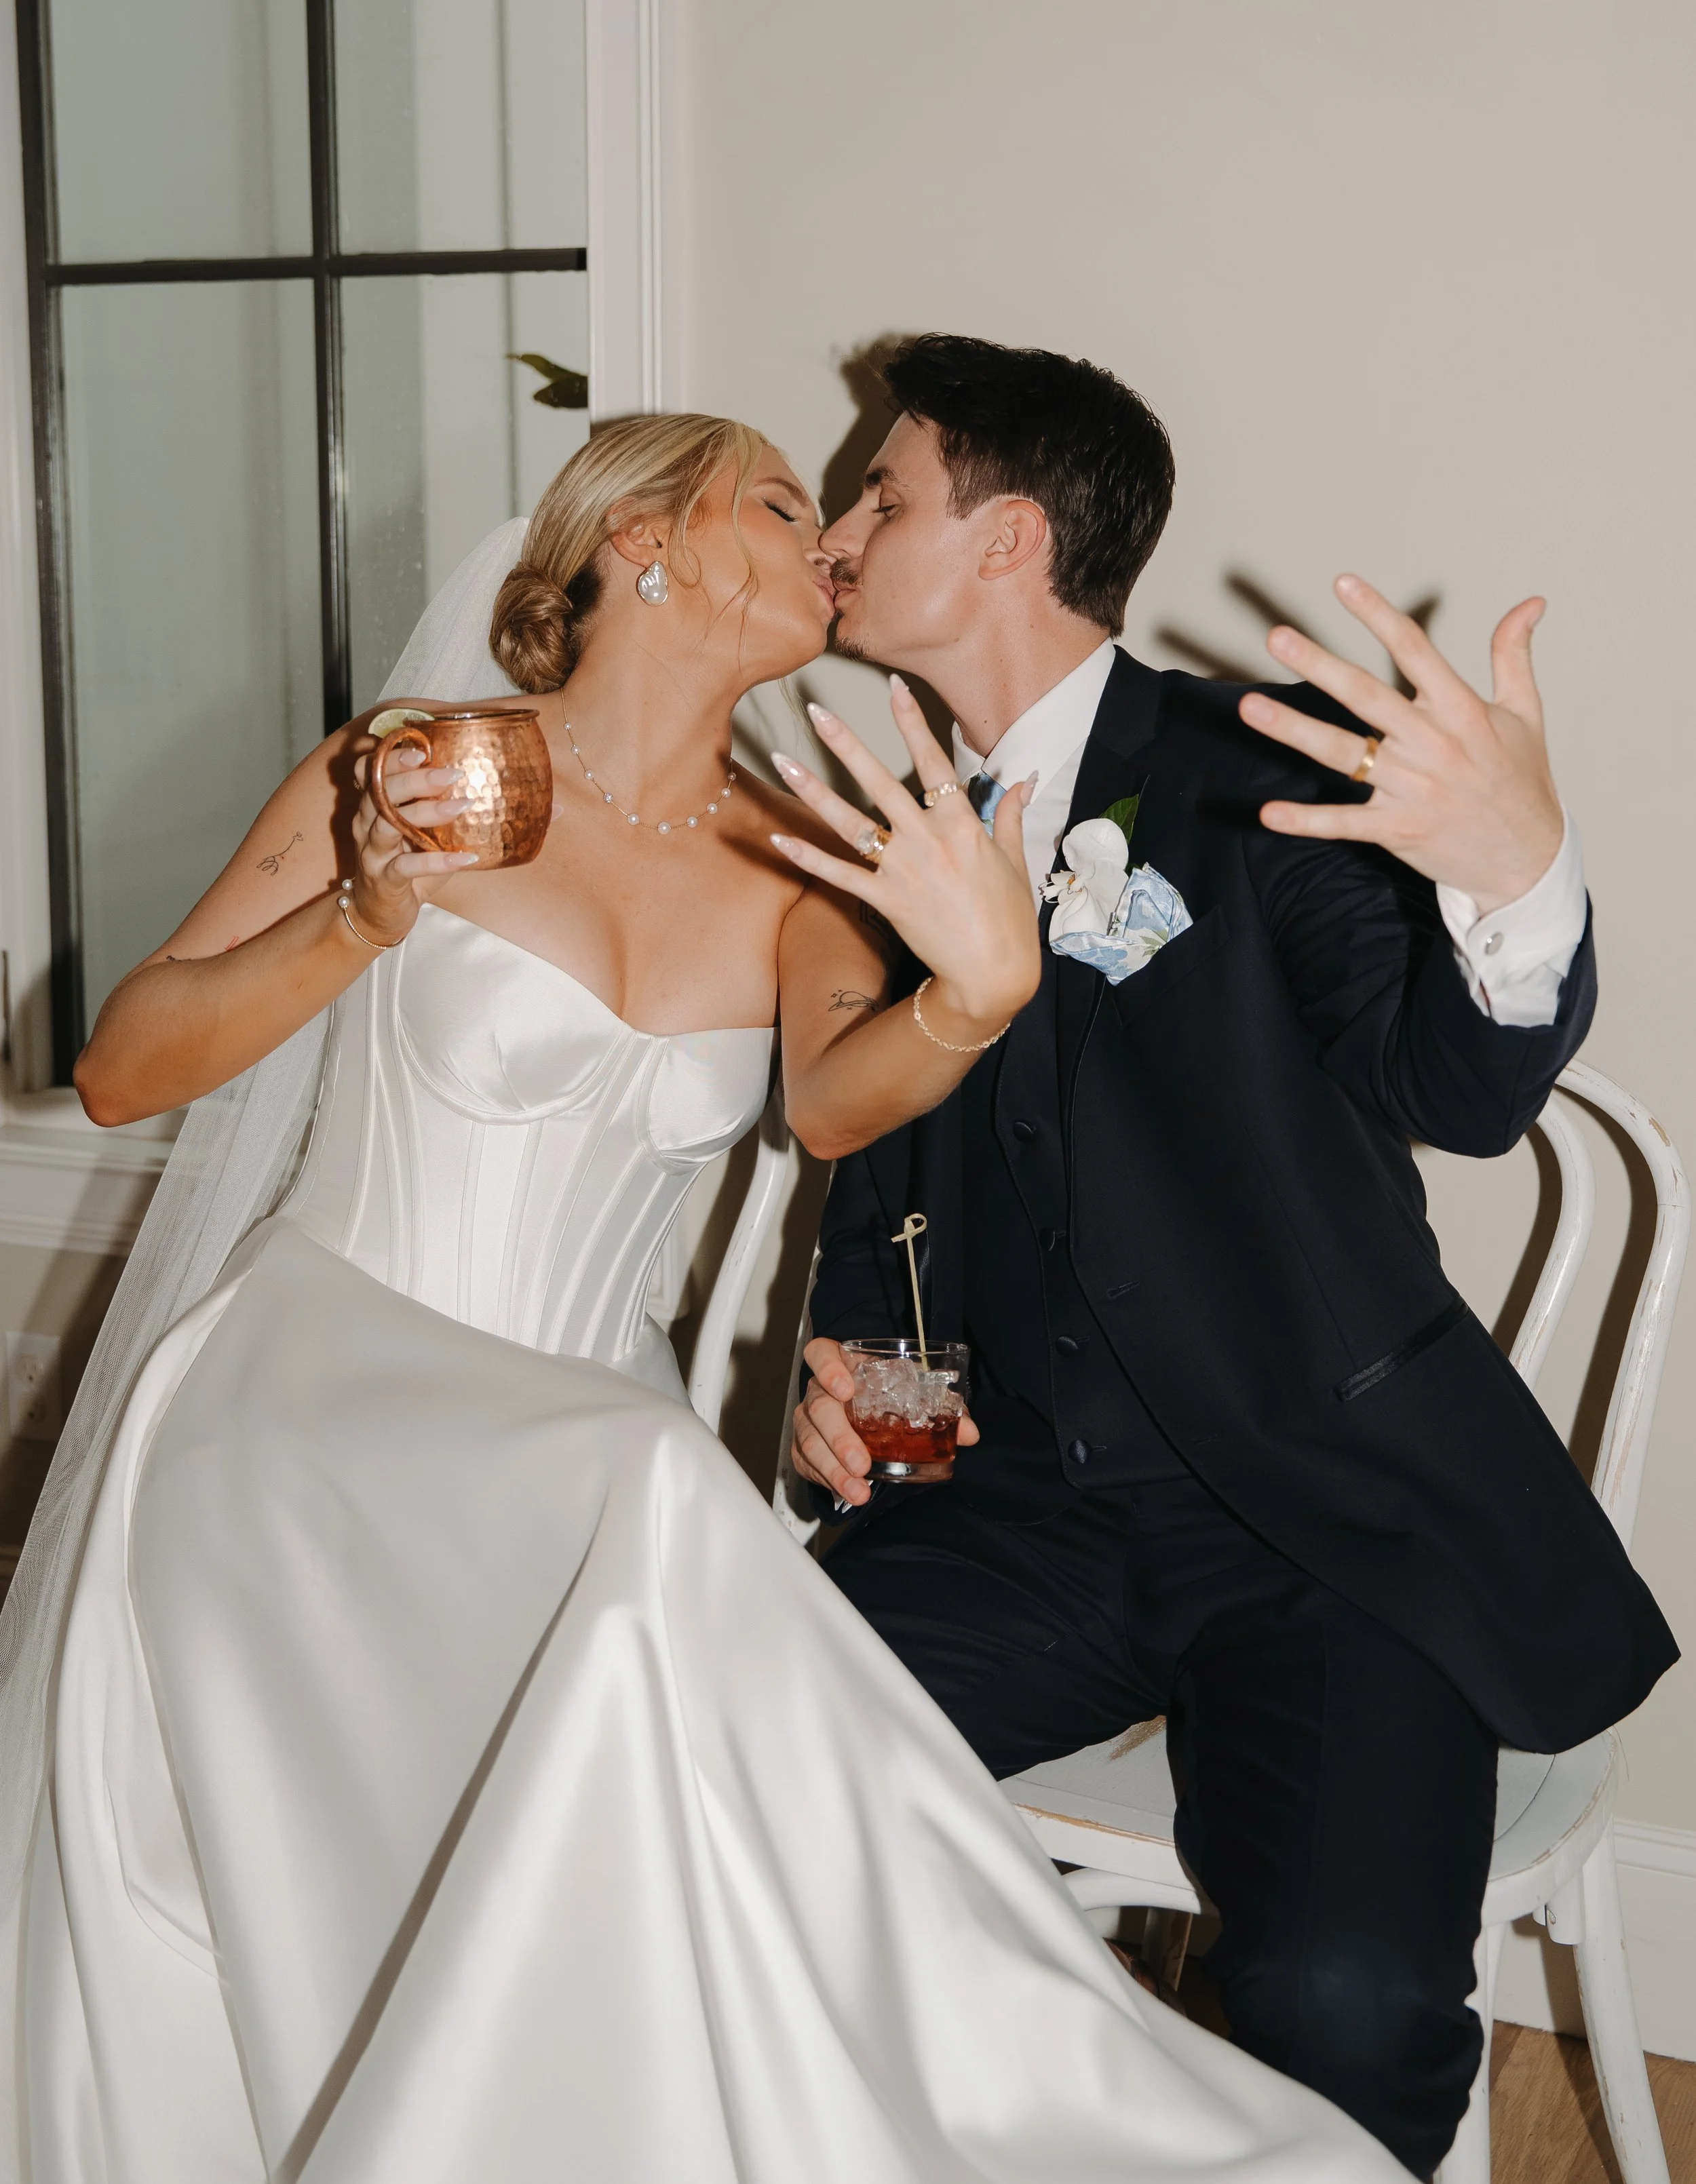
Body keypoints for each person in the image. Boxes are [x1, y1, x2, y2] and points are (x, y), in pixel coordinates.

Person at [0, 414, 1404, 2183]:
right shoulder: (418, 766)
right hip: (318, 1398)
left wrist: (974, 992)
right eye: (771, 500)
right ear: (638, 544)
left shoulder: (794, 857)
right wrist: (354, 921)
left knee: (649, 1515)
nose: (820, 538)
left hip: (579, 1443)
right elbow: (125, 1067)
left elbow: (833, 1100)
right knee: (663, 1497)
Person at [785, 336, 1678, 2182]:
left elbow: (1458, 1085)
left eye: (883, 491)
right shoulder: (901, 827)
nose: (839, 525)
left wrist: (1515, 887)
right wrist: (872, 1397)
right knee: (709, 1764)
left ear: (1007, 540)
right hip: (1019, 1512)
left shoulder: (1247, 777)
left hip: (1322, 1521)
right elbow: (892, 1188)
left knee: (1342, 1994)